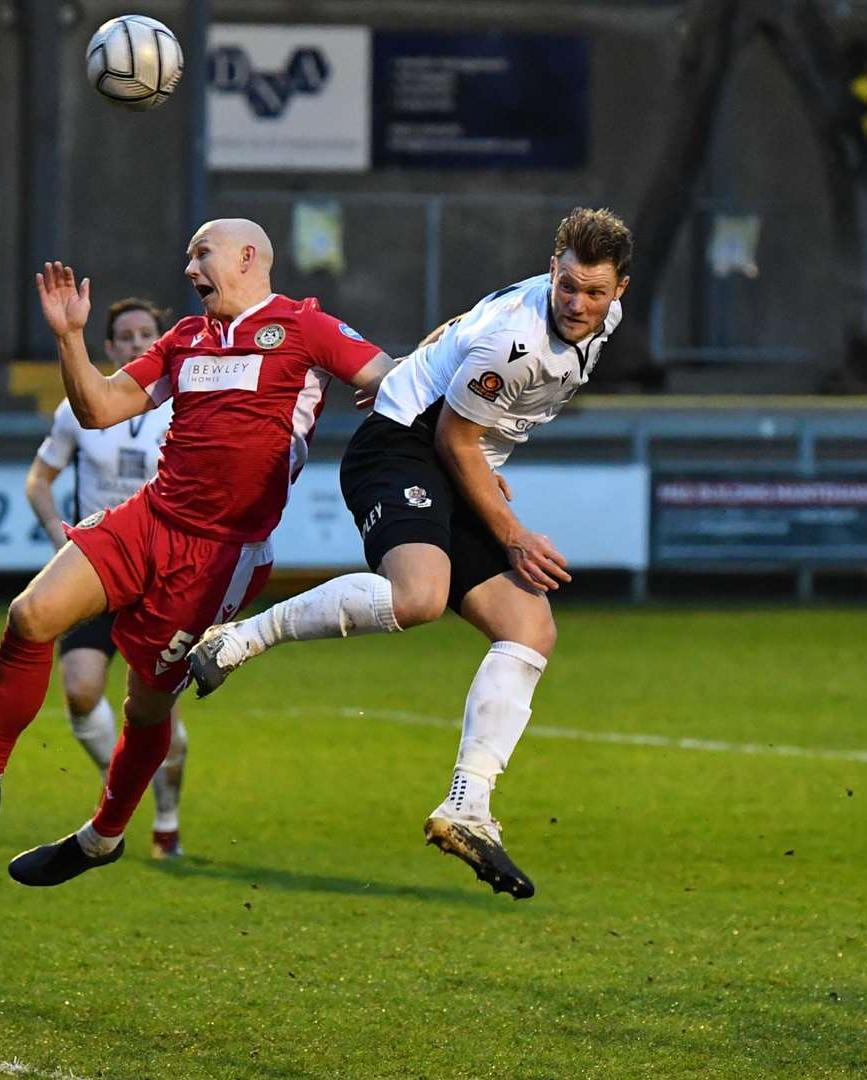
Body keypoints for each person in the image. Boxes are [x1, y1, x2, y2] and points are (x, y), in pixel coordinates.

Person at [0, 219, 394, 886]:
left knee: (144, 708)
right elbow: (99, 409)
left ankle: (103, 837)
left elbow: (393, 378)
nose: (189, 266)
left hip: (220, 556)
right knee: (30, 614)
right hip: (149, 516)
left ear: (249, 257)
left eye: (201, 253)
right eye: (188, 253)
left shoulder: (304, 328)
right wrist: (70, 338)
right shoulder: (184, 339)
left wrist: (439, 428)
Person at [188, 207, 633, 900]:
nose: (577, 304)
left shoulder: (597, 322)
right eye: (567, 285)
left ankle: (469, 807)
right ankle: (239, 637)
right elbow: (453, 437)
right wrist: (508, 526)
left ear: (619, 292)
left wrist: (474, 447)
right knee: (419, 596)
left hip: (451, 455)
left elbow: (456, 342)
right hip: (400, 448)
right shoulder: (515, 338)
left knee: (530, 628)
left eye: (594, 292)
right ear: (553, 270)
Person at [23, 296, 187, 859]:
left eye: (148, 333)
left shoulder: (186, 404)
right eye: (126, 335)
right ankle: (120, 783)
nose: (138, 342)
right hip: (99, 569)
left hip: (164, 575)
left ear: (161, 341)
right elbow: (39, 481)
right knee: (79, 690)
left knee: (157, 716)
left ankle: (166, 816)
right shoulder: (79, 408)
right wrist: (55, 536)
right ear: (110, 347)